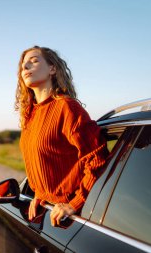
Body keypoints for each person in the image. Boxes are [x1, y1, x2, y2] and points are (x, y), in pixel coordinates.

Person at [15, 46, 109, 227]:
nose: (25, 66)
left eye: (34, 61)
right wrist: (40, 194)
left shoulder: (66, 108)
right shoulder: (30, 116)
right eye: (23, 65)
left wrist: (75, 203)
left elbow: (98, 159)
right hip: (45, 212)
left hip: (71, 219)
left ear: (52, 69)